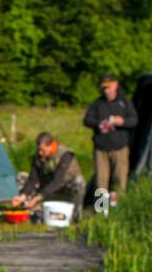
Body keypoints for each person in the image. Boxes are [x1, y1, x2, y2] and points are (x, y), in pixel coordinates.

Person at [83, 74, 138, 203]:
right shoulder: (97, 103)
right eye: (103, 88)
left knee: (119, 179)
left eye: (108, 87)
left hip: (120, 148)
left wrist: (121, 121)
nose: (106, 91)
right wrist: (99, 124)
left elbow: (134, 120)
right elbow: (87, 120)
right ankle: (102, 210)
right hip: (101, 149)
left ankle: (118, 208)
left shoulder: (124, 102)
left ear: (116, 85)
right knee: (101, 181)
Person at [11, 133, 85, 219]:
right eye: (38, 150)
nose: (40, 153)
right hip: (49, 185)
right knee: (22, 176)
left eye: (42, 150)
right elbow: (33, 179)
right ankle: (28, 209)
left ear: (51, 146)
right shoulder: (39, 156)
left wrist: (38, 197)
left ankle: (74, 216)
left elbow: (57, 181)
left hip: (66, 185)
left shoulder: (65, 155)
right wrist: (23, 196)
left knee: (79, 183)